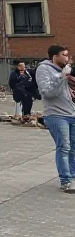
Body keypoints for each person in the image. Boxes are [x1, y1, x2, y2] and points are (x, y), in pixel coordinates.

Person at [36, 45, 75, 193]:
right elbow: (48, 93)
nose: (67, 58)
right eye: (64, 55)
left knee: (73, 148)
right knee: (64, 147)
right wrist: (62, 77)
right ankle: (66, 180)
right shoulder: (44, 69)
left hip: (72, 113)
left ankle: (73, 176)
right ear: (55, 56)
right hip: (56, 115)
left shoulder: (66, 70)